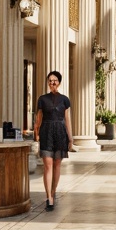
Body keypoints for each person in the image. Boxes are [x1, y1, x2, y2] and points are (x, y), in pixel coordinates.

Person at [34, 70, 74, 210]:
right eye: (50, 80)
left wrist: (70, 138)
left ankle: (53, 191)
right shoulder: (42, 99)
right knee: (48, 165)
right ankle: (48, 198)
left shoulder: (65, 99)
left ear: (59, 82)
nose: (52, 83)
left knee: (57, 165)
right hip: (46, 132)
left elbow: (67, 119)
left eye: (55, 80)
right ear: (48, 82)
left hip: (60, 133)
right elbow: (38, 118)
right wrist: (36, 133)